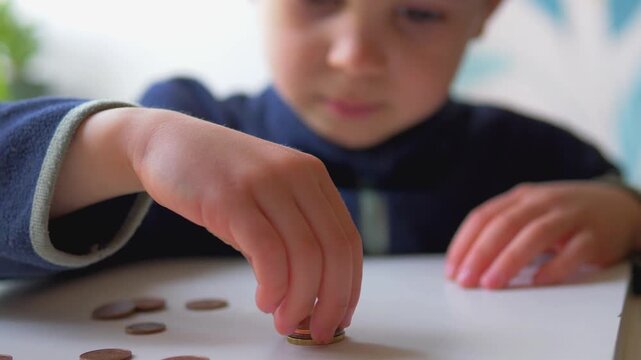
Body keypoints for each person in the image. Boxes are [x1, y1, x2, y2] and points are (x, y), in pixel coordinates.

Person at [1, 0, 640, 344]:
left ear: (485, 14)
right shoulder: (182, 124)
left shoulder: (535, 159)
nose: (354, 56)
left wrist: (628, 216)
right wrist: (122, 145)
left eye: (420, 13)